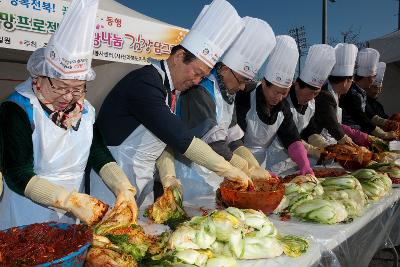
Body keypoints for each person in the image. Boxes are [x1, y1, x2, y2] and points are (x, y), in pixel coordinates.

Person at [91, 0, 252, 208]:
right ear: (178, 57)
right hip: (113, 182)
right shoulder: (146, 82)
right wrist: (227, 168)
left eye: (202, 77)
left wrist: (168, 175)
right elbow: (179, 137)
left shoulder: (170, 90)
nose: (196, 82)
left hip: (141, 183)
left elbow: (161, 140)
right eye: (196, 73)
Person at [0, 0, 137, 230]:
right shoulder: (17, 109)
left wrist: (122, 186)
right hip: (26, 212)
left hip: (74, 209)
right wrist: (67, 200)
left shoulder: (84, 109)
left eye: (77, 88)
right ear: (41, 76)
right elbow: (16, 173)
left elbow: (98, 152)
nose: (68, 97)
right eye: (61, 87)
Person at [170, 17, 276, 201]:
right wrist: (244, 168)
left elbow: (233, 139)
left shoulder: (228, 93)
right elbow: (214, 142)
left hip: (216, 175)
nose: (243, 87)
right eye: (242, 80)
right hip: (190, 176)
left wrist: (253, 164)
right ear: (224, 69)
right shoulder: (199, 90)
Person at [236, 35, 317, 179]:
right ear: (264, 83)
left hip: (261, 166)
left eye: (284, 93)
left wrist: (304, 163)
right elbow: (234, 141)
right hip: (238, 161)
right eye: (276, 92)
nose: (279, 98)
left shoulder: (282, 106)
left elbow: (291, 137)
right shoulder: (245, 98)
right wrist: (250, 168)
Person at [264, 43, 336, 175]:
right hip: (273, 163)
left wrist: (319, 144)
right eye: (310, 92)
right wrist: (311, 149)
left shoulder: (311, 105)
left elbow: (308, 130)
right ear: (297, 85)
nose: (312, 97)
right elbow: (287, 134)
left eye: (316, 93)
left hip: (295, 161)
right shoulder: (282, 102)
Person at [302, 43, 374, 149]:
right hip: (319, 148)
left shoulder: (334, 93)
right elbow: (331, 123)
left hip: (328, 144)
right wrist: (346, 140)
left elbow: (336, 124)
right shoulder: (325, 95)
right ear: (346, 81)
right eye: (351, 80)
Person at [340, 48, 397, 140]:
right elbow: (360, 117)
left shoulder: (361, 92)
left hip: (360, 133)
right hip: (349, 135)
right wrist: (382, 134)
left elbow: (368, 113)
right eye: (374, 78)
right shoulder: (351, 93)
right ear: (369, 78)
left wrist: (386, 122)